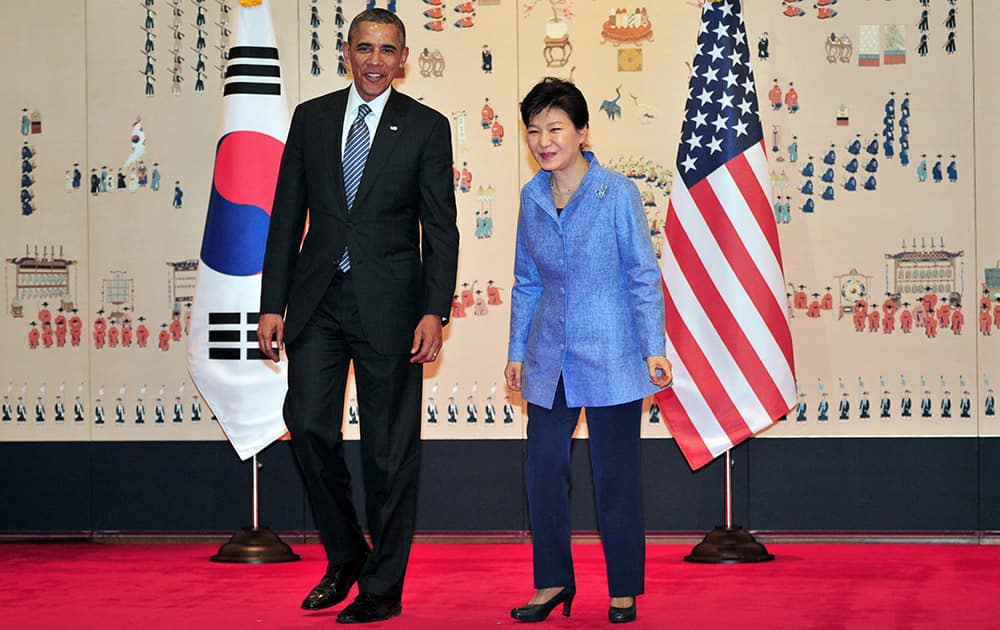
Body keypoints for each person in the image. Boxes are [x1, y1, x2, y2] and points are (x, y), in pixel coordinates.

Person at [257, 8, 459, 625]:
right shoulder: (311, 118)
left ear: (403, 58)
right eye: (365, 48)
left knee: (388, 453)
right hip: (317, 302)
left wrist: (434, 310)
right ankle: (345, 552)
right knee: (308, 424)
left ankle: (382, 587)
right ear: (346, 51)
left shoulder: (426, 127)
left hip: (393, 308)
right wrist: (272, 303)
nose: (376, 60)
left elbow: (440, 227)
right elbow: (287, 214)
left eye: (388, 50)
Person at [504, 78, 672, 625]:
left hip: (614, 351)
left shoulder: (617, 191)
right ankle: (552, 581)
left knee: (614, 474)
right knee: (544, 467)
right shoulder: (530, 198)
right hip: (549, 353)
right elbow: (527, 281)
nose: (544, 141)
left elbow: (643, 275)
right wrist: (517, 350)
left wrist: (653, 347)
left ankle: (623, 588)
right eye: (534, 131)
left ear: (581, 132)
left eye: (555, 129)